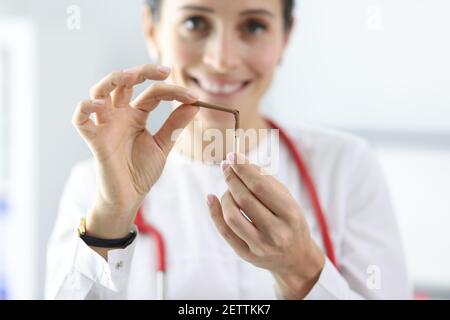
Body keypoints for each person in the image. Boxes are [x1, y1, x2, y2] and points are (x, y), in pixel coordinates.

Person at [46, 0, 411, 299]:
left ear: (286, 37)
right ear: (151, 29)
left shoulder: (346, 166)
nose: (222, 60)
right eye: (194, 23)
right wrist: (113, 213)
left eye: (253, 26)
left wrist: (300, 267)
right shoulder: (93, 186)